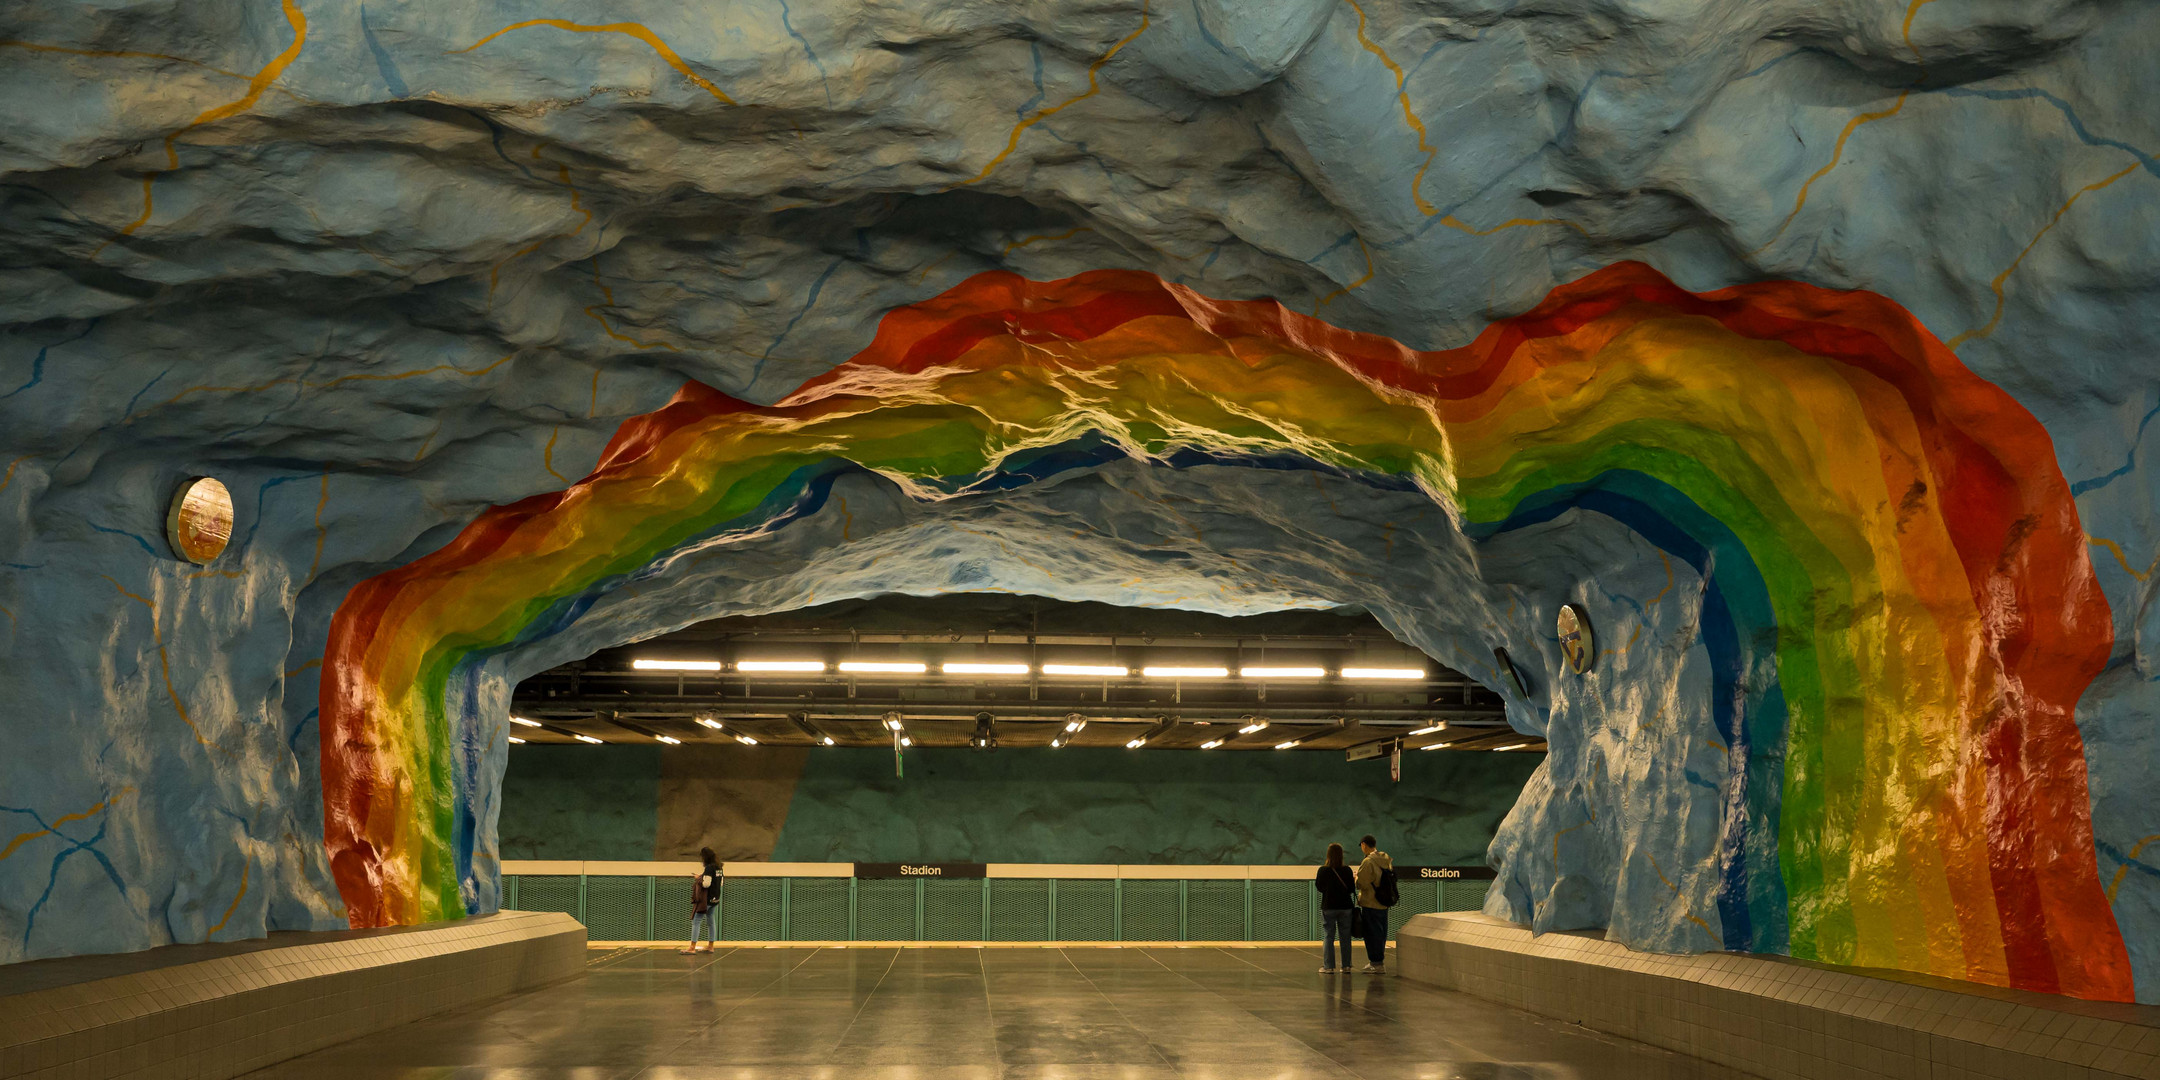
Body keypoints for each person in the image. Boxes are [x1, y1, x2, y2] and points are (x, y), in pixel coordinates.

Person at [1353, 834, 1394, 973]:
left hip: (1371, 902)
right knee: (1381, 933)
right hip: (1384, 902)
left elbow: (1361, 883)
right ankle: (1379, 961)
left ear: (1364, 845)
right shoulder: (1386, 859)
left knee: (1371, 934)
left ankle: (1375, 963)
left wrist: (1355, 879)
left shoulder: (1368, 862)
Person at [1315, 842, 1357, 973]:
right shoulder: (1347, 870)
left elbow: (1319, 887)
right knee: (1345, 937)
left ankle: (1328, 967)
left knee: (1329, 936)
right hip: (1345, 907)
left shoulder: (1323, 870)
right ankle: (1346, 966)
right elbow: (1351, 889)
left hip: (1329, 906)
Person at [681, 847, 721, 954]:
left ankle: (692, 948)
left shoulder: (708, 868)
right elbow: (720, 882)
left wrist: (699, 879)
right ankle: (711, 946)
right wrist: (702, 876)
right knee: (711, 922)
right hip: (715, 898)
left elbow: (706, 884)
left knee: (696, 921)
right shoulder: (719, 867)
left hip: (706, 899)